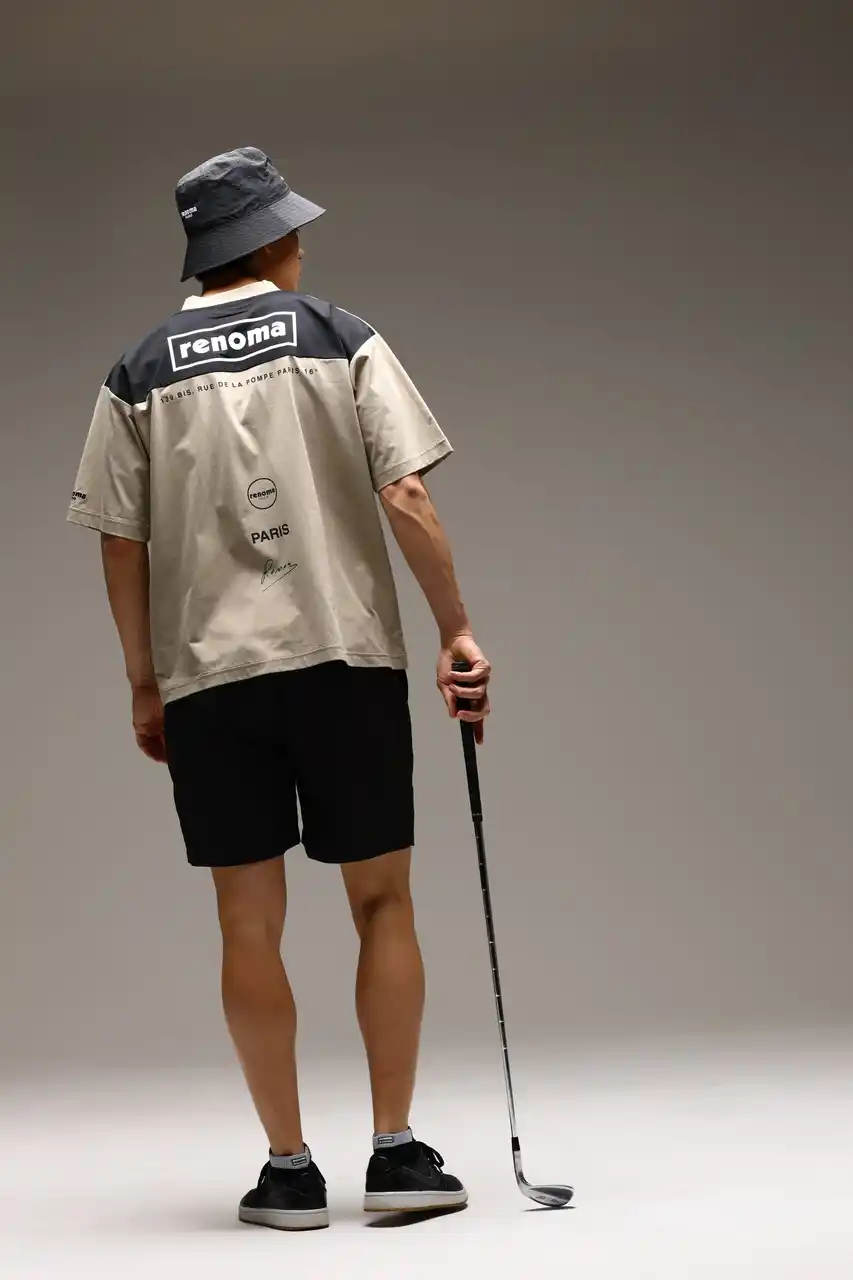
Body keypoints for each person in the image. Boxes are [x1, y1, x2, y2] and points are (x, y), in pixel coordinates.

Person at [66, 146, 491, 1231]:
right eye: (294, 232)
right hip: (345, 660)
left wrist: (145, 683)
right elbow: (405, 492)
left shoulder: (136, 372)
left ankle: (289, 1171)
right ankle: (395, 1158)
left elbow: (119, 539)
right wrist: (454, 628)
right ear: (275, 242)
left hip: (210, 680)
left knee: (246, 923)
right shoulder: (340, 335)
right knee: (382, 900)